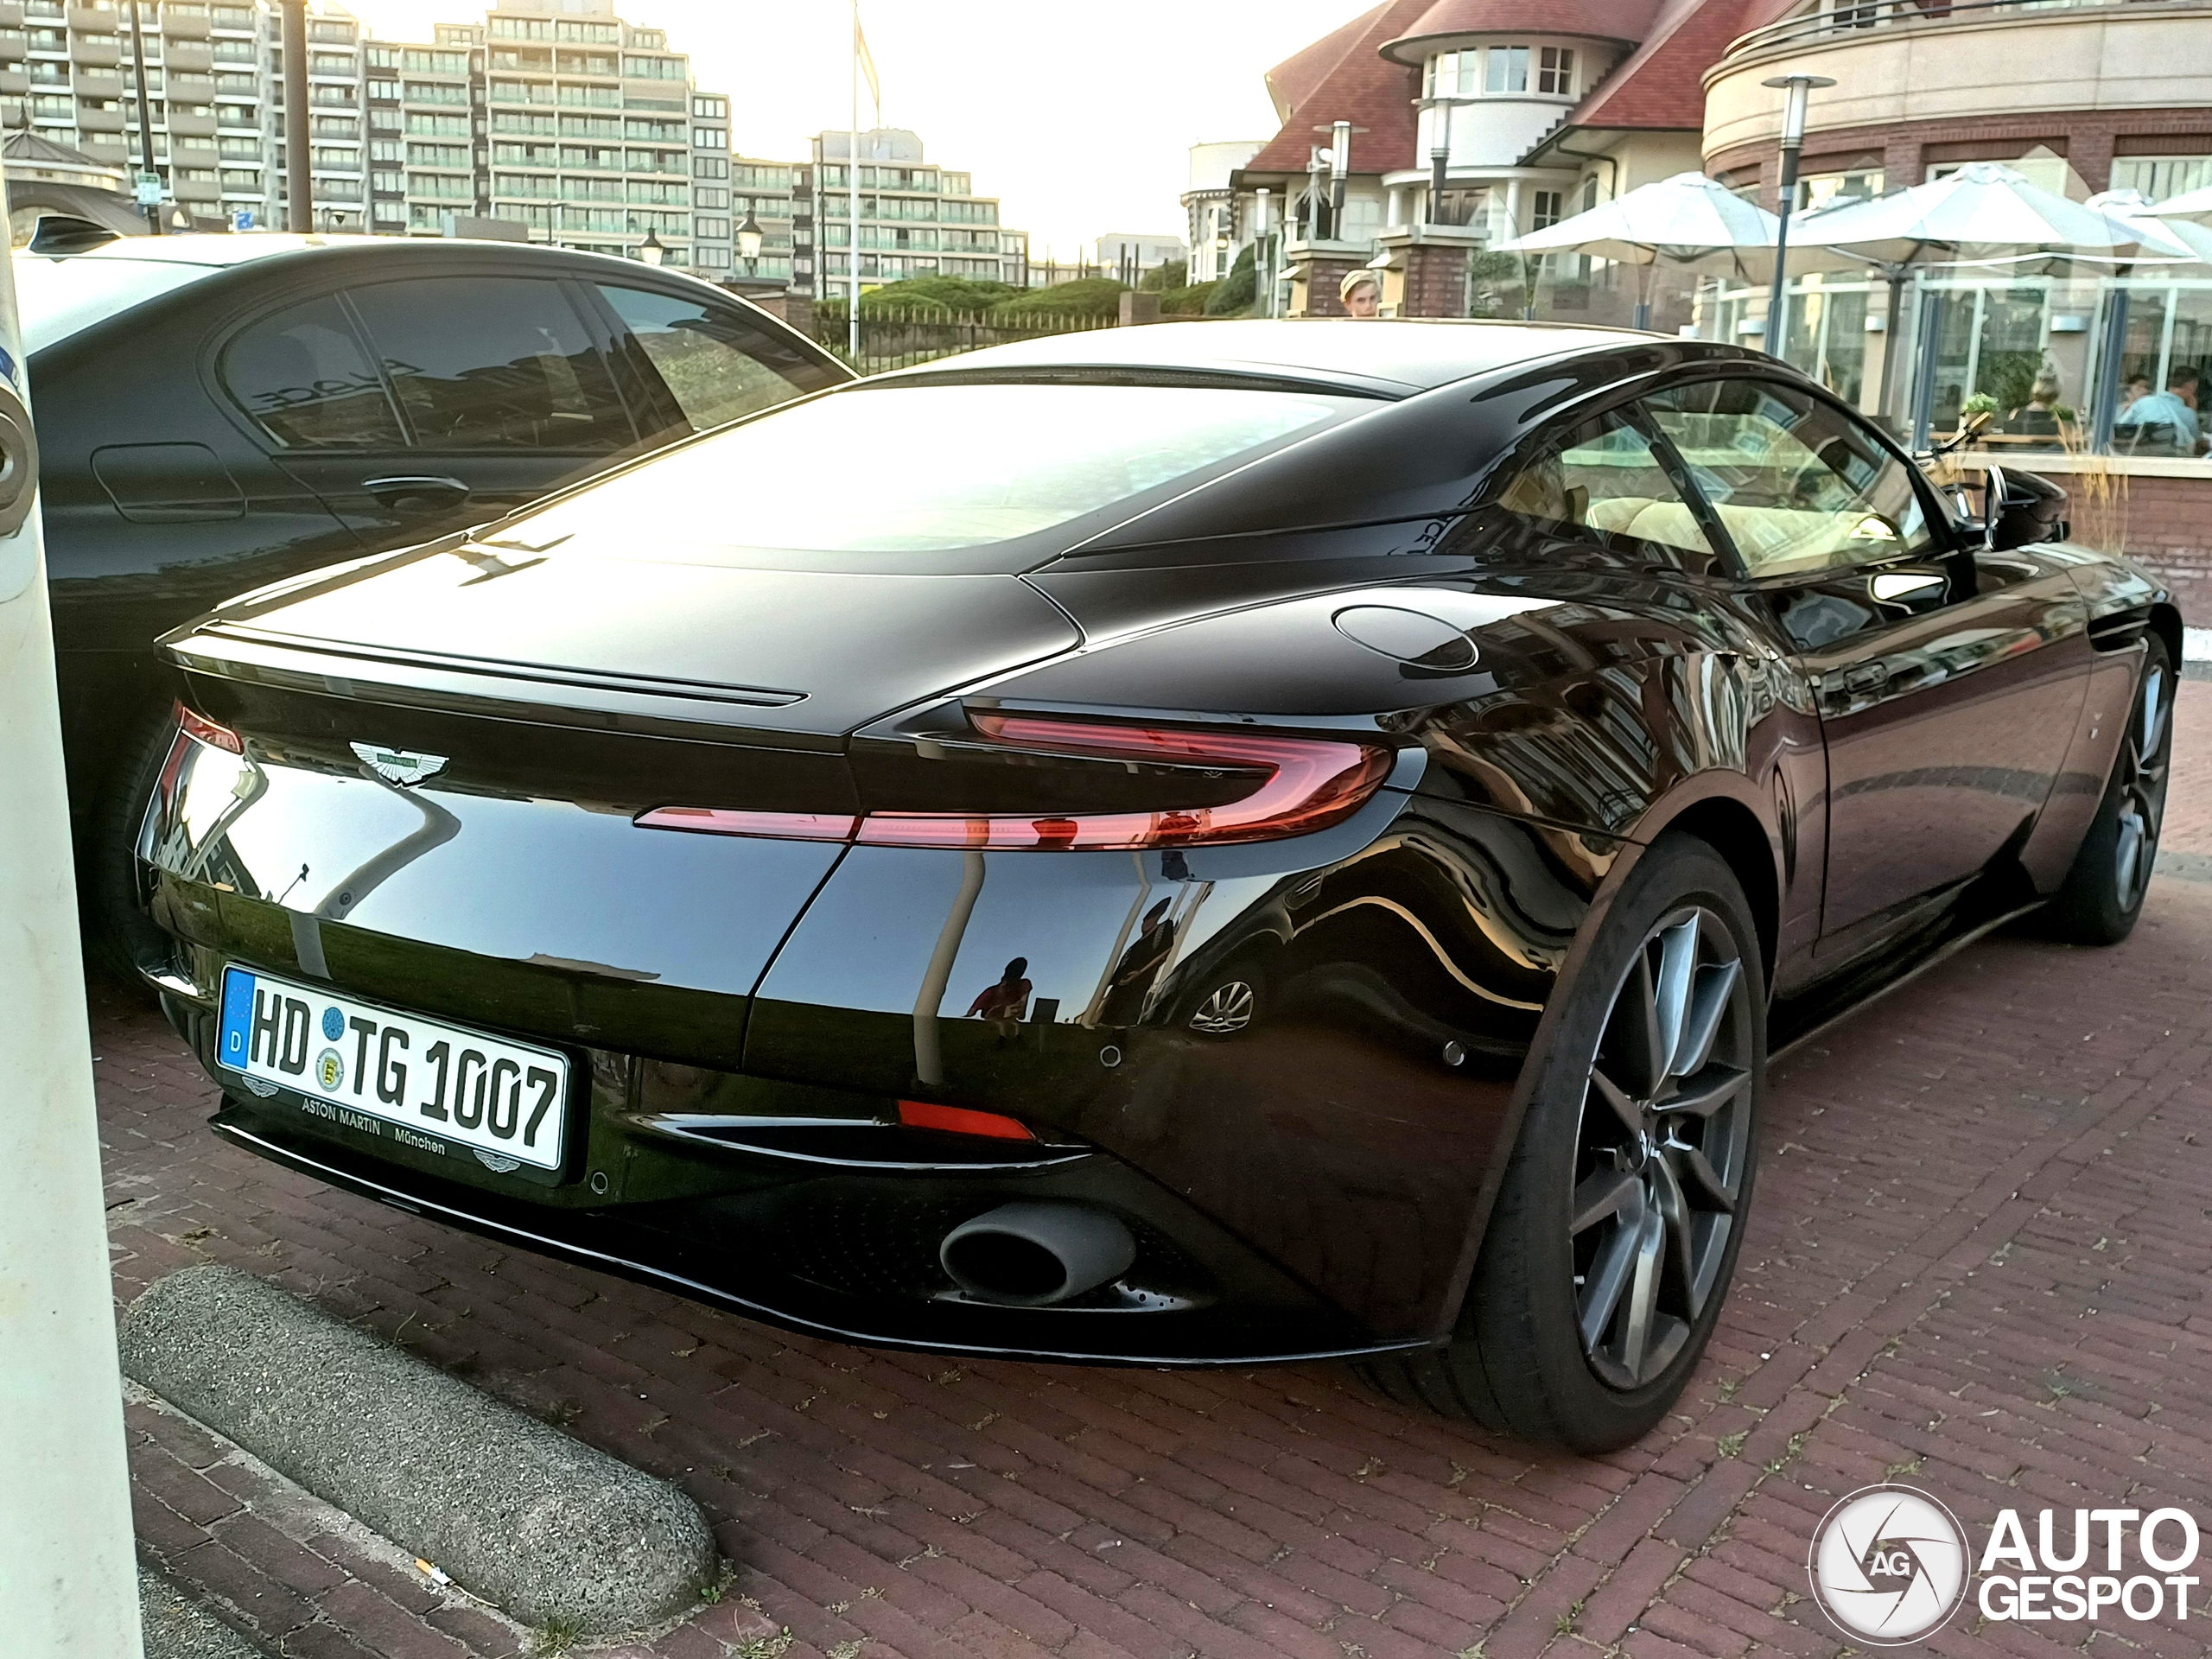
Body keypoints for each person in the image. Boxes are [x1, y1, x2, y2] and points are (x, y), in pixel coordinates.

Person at [2121, 365, 2202, 452]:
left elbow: (2120, 428)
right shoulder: (2188, 414)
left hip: (2135, 457)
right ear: (2192, 386)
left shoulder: (2143, 402)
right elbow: (2194, 445)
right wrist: (2192, 411)